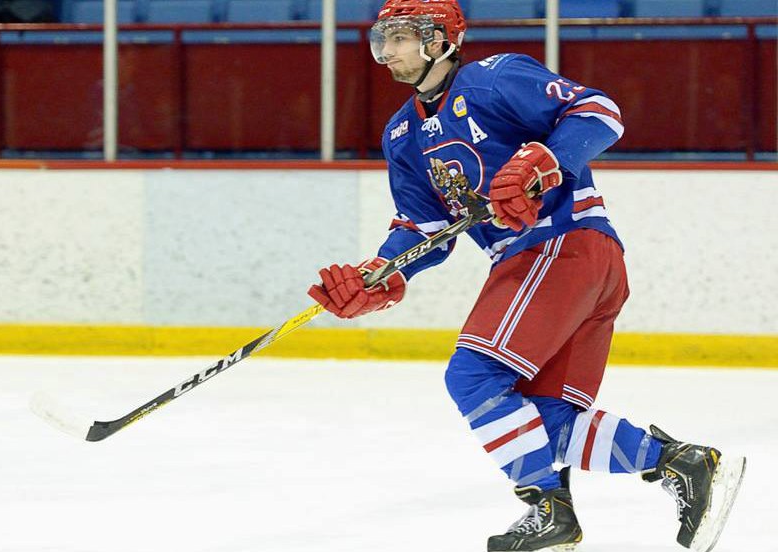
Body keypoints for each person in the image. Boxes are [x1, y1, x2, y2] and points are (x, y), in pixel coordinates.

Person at [307, 1, 746, 551]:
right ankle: (682, 463)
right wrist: (381, 274)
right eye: (385, 38)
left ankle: (547, 508)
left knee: (472, 378)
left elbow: (600, 111)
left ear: (443, 40)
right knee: (545, 424)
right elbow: (422, 226)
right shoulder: (402, 134)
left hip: (560, 244)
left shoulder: (494, 79)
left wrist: (548, 159)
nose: (390, 51)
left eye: (404, 37)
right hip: (567, 262)